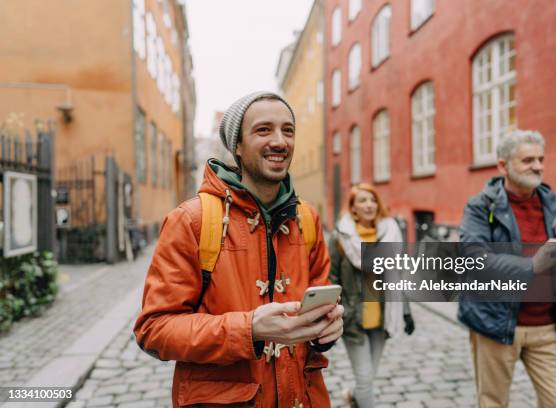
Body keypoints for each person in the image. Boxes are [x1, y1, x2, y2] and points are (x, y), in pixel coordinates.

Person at [133, 91, 343, 408]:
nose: (279, 141)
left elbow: (317, 300)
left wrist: (324, 329)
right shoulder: (192, 221)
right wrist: (249, 330)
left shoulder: (307, 219)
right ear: (238, 147)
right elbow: (154, 330)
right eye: (263, 130)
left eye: (288, 130)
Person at [458, 129, 556, 408]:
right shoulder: (480, 206)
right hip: (495, 324)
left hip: (550, 326)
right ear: (503, 166)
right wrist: (532, 265)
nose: (539, 166)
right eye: (528, 160)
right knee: (493, 402)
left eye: (541, 159)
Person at [329, 183, 414, 408]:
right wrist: (340, 314)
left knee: (369, 375)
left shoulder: (389, 233)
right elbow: (332, 279)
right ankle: (359, 396)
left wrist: (405, 311)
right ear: (353, 208)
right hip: (354, 321)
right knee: (366, 378)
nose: (369, 205)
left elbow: (396, 273)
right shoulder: (340, 238)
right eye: (363, 201)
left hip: (382, 318)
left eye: (373, 200)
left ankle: (353, 396)